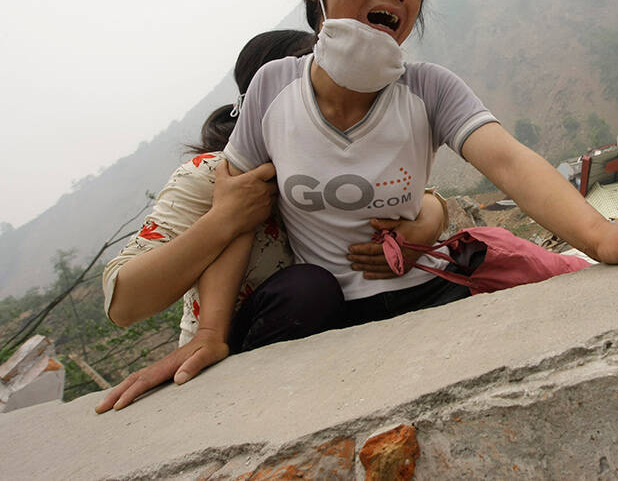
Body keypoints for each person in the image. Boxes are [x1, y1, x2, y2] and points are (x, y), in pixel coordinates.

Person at [219, 0, 618, 334]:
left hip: (431, 290)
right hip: (331, 316)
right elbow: (232, 217)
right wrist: (208, 335)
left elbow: (508, 161)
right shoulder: (272, 87)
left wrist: (601, 235)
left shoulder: (430, 88)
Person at [96, 29, 448, 413]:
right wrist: (224, 220)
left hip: (334, 344)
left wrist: (431, 216)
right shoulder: (211, 178)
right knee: (308, 289)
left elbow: (418, 200)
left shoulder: (338, 167)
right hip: (234, 358)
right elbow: (124, 303)